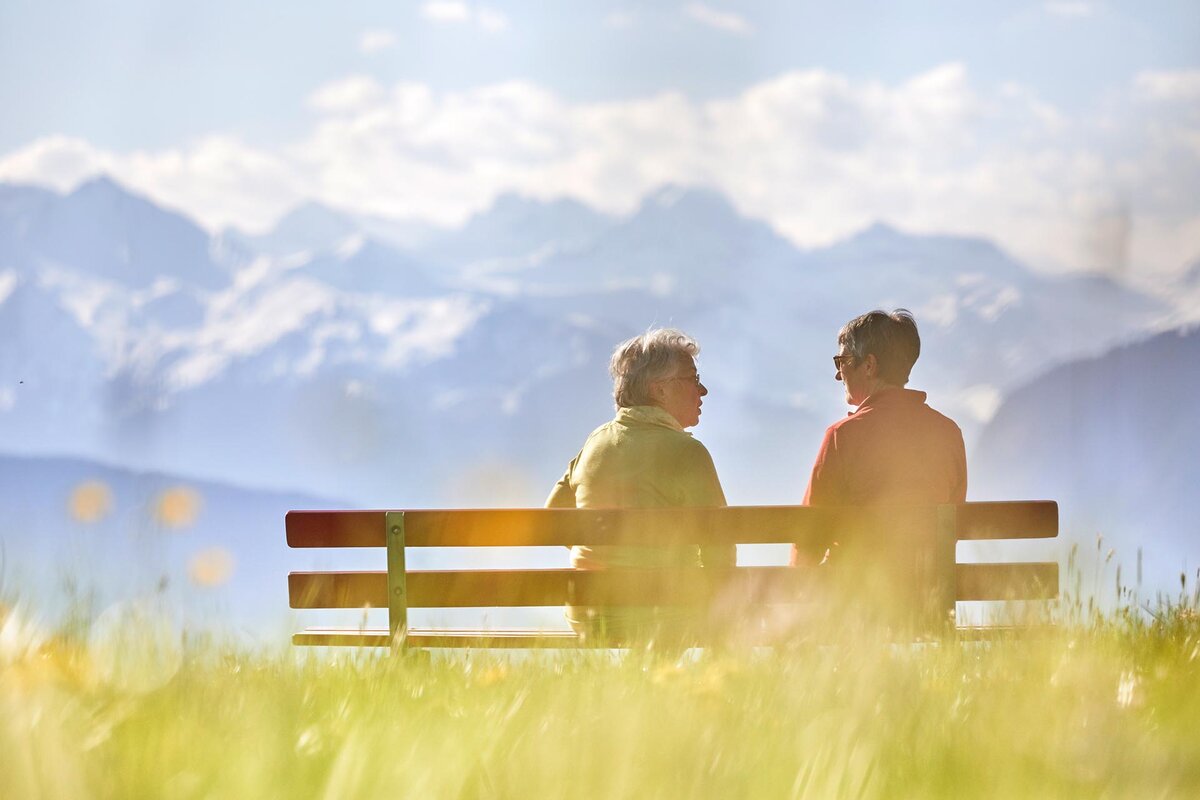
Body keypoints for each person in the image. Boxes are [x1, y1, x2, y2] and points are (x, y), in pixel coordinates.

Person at [546, 328, 733, 642]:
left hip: (590, 614)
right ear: (659, 390)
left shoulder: (595, 442)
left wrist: (605, 555)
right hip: (665, 614)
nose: (703, 391)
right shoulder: (688, 453)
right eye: (693, 379)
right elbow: (721, 550)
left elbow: (553, 519)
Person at [795, 309, 967, 566]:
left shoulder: (842, 437)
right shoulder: (949, 434)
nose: (838, 374)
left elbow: (809, 540)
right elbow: (951, 529)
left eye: (842, 361)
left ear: (869, 365)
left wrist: (794, 599)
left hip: (856, 599)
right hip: (928, 597)